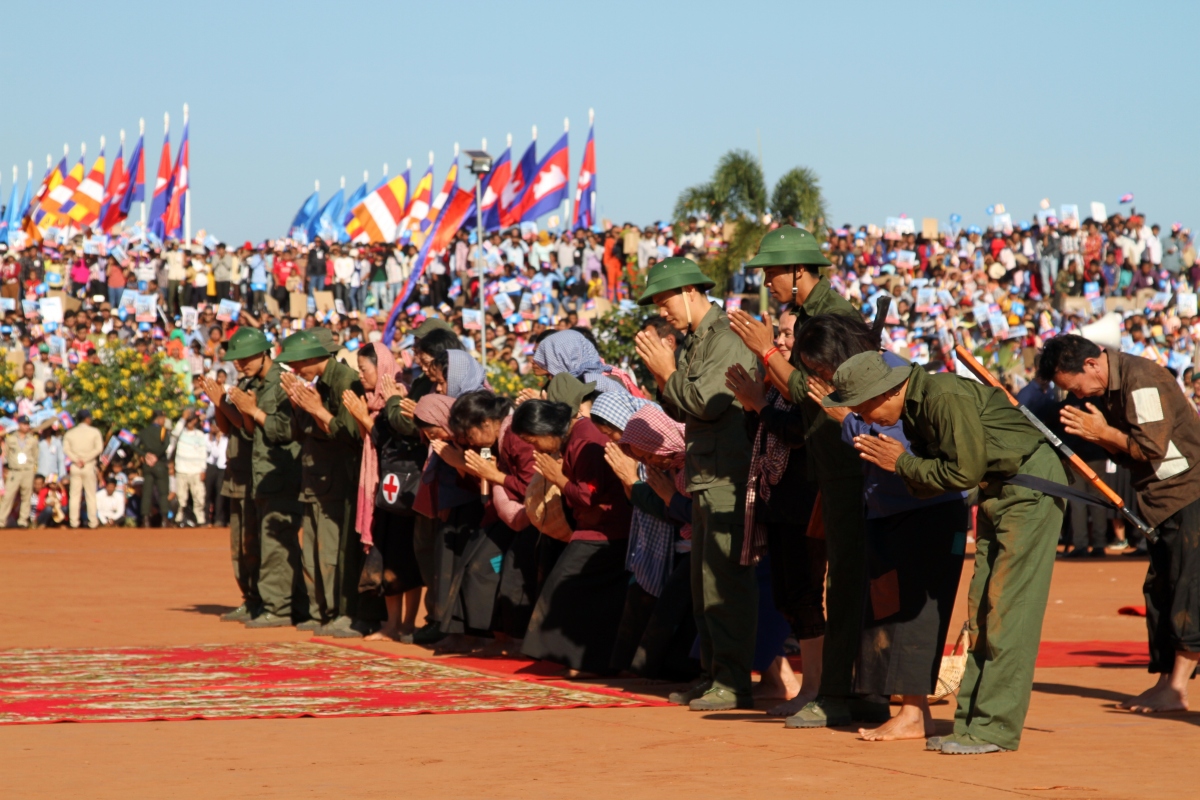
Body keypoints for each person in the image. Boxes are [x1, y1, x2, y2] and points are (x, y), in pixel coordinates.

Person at [817, 349, 1066, 755]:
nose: (862, 418)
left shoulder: (941, 396)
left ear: (887, 391)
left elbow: (959, 473)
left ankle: (993, 729)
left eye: (862, 406)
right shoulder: (914, 408)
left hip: (1029, 488)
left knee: (1008, 609)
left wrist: (901, 464)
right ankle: (974, 724)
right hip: (999, 489)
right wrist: (907, 465)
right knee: (983, 608)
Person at [728, 225, 880, 728]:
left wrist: (769, 354)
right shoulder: (817, 314)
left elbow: (823, 393)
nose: (768, 283)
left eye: (773, 273)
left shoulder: (834, 318)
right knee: (824, 588)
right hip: (823, 463)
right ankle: (830, 690)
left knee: (845, 584)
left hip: (840, 466)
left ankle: (840, 693)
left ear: (799, 272)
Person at [794, 313, 969, 742]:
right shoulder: (864, 382)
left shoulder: (892, 375)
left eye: (821, 370)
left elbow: (892, 442)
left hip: (924, 510)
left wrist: (846, 419)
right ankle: (903, 707)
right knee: (887, 609)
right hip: (885, 511)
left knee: (915, 616)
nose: (821, 380)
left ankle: (914, 712)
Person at [1039, 334, 1200, 713]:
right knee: (1160, 590)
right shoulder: (1107, 387)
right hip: (1160, 501)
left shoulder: (1141, 379)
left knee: (1186, 587)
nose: (1077, 396)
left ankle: (1177, 688)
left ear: (1092, 364)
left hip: (1189, 494)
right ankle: (1166, 682)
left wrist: (1102, 433)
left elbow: (1151, 447)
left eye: (1075, 386)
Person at [634, 256, 758, 711]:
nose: (661, 311)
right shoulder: (697, 341)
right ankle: (713, 676)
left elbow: (704, 402)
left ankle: (732, 682)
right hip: (707, 474)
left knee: (725, 583)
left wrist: (667, 373)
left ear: (690, 293)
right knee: (704, 584)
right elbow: (683, 409)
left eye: (664, 300)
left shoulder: (723, 339)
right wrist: (669, 376)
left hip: (727, 474)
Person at [724, 307, 826, 716]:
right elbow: (761, 437)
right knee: (788, 597)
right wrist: (754, 406)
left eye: (786, 335)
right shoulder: (775, 386)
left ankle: (816, 687)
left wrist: (759, 405)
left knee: (804, 594)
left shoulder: (811, 384)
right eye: (779, 334)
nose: (780, 341)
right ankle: (811, 687)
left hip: (806, 504)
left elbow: (799, 433)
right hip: (779, 504)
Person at [513, 399, 632, 676]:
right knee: (592, 599)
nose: (534, 449)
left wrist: (557, 477)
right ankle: (589, 662)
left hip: (607, 530)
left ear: (547, 430)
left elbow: (587, 496)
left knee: (563, 588)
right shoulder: (575, 436)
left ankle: (588, 663)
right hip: (595, 527)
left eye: (533, 440)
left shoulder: (585, 439)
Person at [278, 329, 378, 638]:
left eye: (295, 363)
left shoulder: (344, 380)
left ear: (311, 357)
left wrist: (318, 410)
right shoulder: (319, 383)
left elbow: (351, 435)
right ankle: (321, 610)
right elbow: (301, 432)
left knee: (335, 552)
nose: (294, 370)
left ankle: (342, 611)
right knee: (312, 552)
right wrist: (300, 407)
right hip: (316, 478)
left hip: (339, 479)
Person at [341, 343, 426, 642]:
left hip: (404, 492)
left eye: (364, 369)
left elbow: (391, 442)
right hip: (383, 492)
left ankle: (407, 623)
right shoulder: (370, 400)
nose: (361, 375)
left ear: (383, 369)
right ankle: (391, 624)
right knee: (387, 555)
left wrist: (363, 417)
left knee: (407, 559)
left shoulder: (401, 399)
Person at [225, 327, 307, 629]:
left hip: (282, 474)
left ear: (263, 354)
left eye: (245, 358)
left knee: (276, 545)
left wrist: (254, 411)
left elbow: (285, 430)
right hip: (261, 475)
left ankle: (279, 608)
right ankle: (293, 605)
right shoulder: (252, 383)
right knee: (266, 545)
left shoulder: (283, 384)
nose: (239, 364)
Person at [448, 391, 540, 653]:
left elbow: (528, 486)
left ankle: (514, 640)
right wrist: (464, 467)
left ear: (486, 423)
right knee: (478, 568)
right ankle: (494, 636)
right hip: (503, 516)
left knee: (506, 571)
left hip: (531, 518)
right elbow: (484, 485)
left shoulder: (516, 436)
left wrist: (493, 474)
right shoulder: (491, 443)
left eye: (470, 434)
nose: (468, 441)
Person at [63, 409, 104, 529]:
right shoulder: (94, 432)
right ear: (87, 419)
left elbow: (66, 450)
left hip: (75, 466)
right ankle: (93, 522)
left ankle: (73, 522)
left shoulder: (70, 433)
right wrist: (85, 459)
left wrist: (76, 460)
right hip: (88, 465)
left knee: (74, 495)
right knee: (90, 495)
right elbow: (99, 449)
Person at [135, 410, 172, 528]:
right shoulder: (162, 431)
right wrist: (156, 456)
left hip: (147, 465)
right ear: (159, 419)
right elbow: (166, 444)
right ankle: (165, 519)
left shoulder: (144, 432)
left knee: (147, 492)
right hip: (160, 464)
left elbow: (133, 444)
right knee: (162, 493)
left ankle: (145, 520)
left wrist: (145, 455)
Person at [170, 413, 208, 526]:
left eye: (192, 420)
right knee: (181, 497)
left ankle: (200, 519)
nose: (191, 422)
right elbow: (175, 433)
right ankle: (179, 519)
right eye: (189, 420)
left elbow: (203, 453)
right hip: (181, 469)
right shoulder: (180, 433)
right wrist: (183, 418)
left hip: (196, 471)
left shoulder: (200, 435)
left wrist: (203, 469)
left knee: (199, 496)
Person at [1, 416, 39, 528]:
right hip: (14, 471)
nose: (26, 426)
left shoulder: (33, 440)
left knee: (26, 496)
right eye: (24, 424)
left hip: (27, 471)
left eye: (27, 424)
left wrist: (33, 469)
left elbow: (36, 456)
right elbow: (6, 455)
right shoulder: (10, 439)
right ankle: (1, 520)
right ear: (19, 425)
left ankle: (23, 521)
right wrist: (6, 470)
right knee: (8, 496)